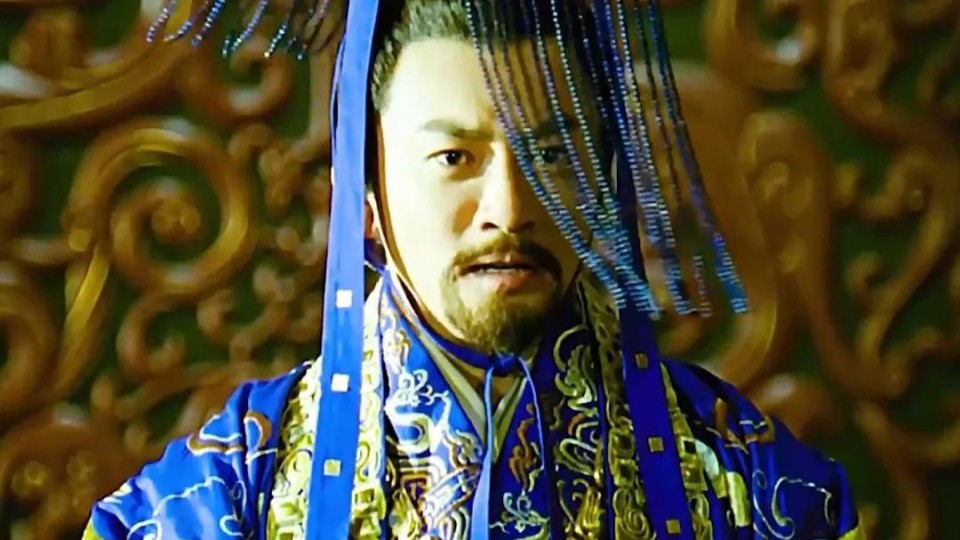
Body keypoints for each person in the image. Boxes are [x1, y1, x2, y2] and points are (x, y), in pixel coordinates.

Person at [85, 0, 865, 538]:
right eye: (454, 158)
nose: (509, 208)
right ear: (364, 195)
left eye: (552, 154)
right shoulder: (225, 498)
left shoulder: (755, 488)